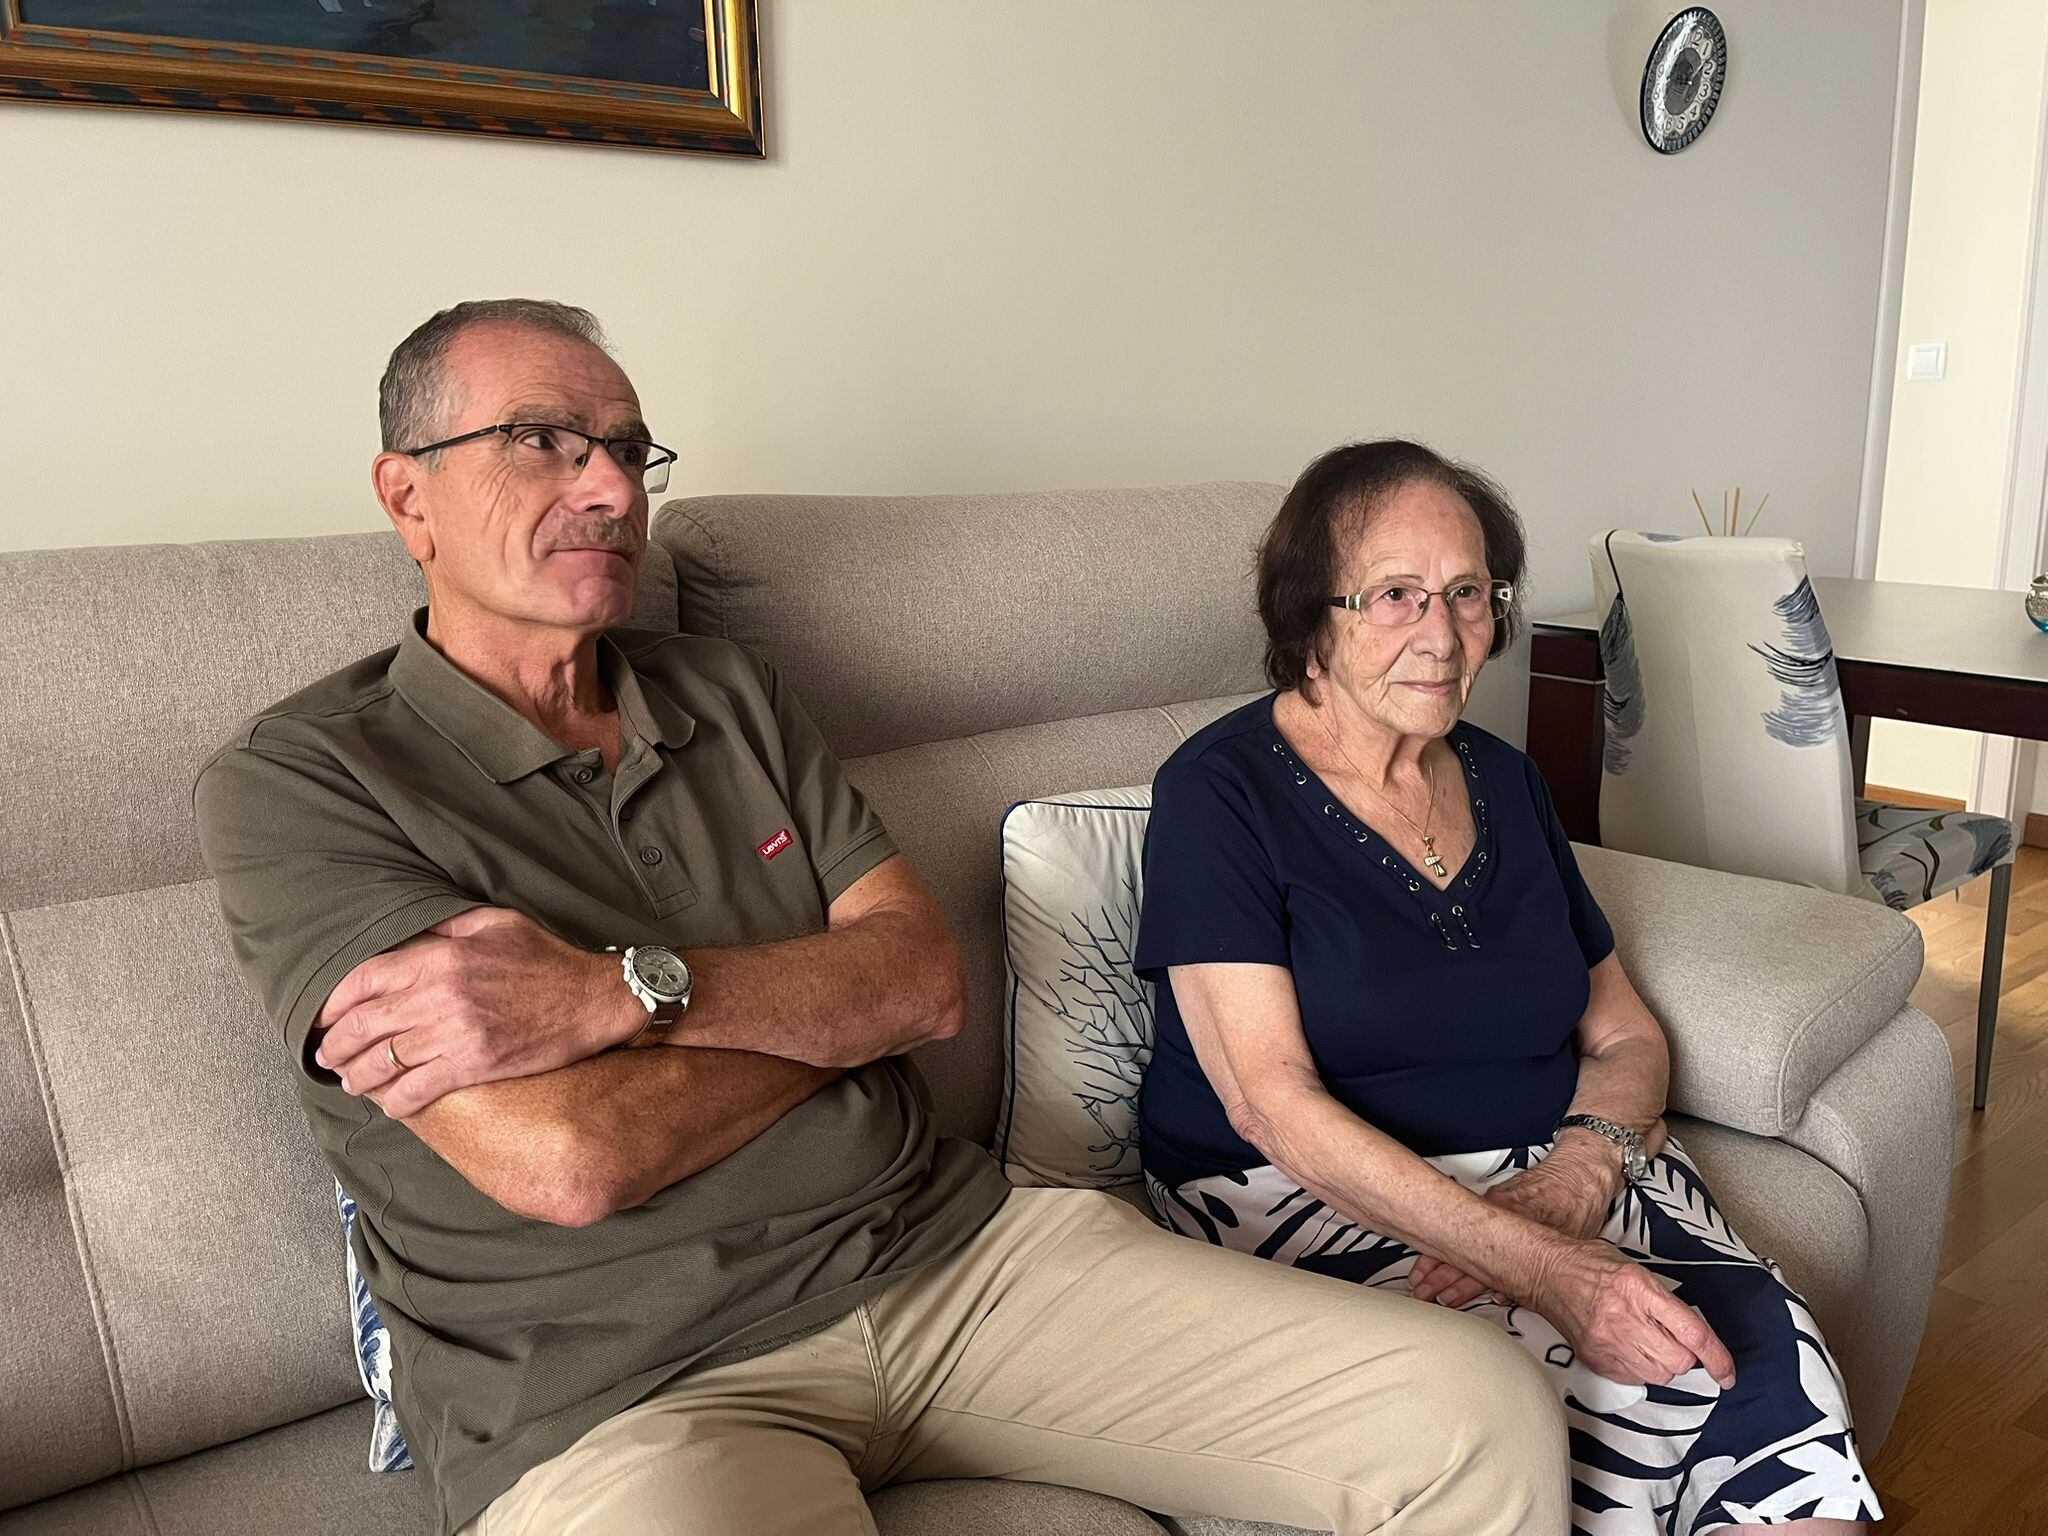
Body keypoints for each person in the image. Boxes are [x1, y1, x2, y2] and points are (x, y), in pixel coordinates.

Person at [193, 303, 1571, 1536]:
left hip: (953, 1257)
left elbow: (922, 983)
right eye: (545, 442)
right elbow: (565, 1159)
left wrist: (627, 997)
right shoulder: (304, 782)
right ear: (405, 493)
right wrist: (820, 1019)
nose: (609, 486)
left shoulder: (724, 691)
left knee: (1470, 1408)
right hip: (615, 1389)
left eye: (626, 447)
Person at [1135, 440, 1882, 1536]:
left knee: (1762, 1352)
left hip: (1549, 1172)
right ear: (1309, 617)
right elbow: (1266, 1099)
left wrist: (1581, 1175)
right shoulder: (1218, 793)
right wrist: (1537, 1264)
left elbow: (1624, 1038)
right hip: (1303, 1196)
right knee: (1572, 1386)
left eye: (1468, 594)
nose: (1442, 638)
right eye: (1395, 596)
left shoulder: (1505, 777)